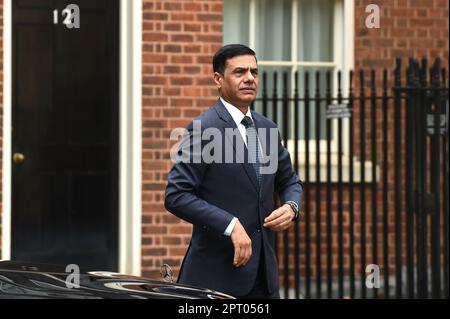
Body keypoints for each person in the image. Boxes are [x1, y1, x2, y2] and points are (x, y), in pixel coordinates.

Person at [164, 44, 303, 299]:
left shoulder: (268, 129)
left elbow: (290, 181)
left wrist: (292, 206)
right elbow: (176, 196)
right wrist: (231, 225)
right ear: (218, 79)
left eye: (254, 72)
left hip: (264, 278)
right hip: (215, 282)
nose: (250, 78)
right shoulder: (204, 129)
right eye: (240, 72)